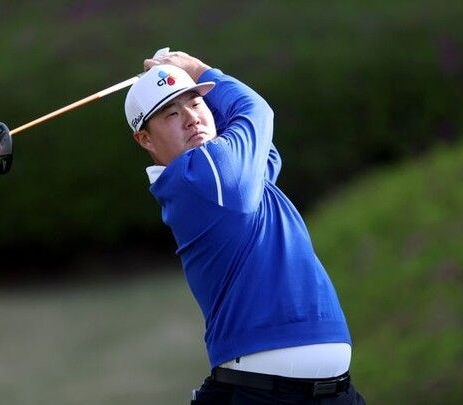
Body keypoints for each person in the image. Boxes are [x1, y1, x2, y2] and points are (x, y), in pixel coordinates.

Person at [124, 50, 366, 404]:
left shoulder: (232, 179)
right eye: (172, 114)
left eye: (196, 104)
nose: (191, 119)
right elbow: (255, 112)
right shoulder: (202, 177)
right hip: (261, 391)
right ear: (145, 139)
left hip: (330, 392)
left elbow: (265, 147)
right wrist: (200, 70)